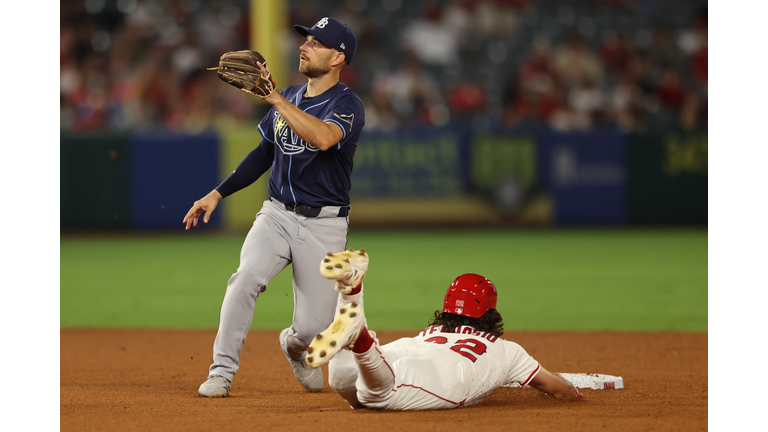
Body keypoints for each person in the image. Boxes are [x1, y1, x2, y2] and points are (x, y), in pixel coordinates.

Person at [183, 17, 365, 397]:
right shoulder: (290, 96)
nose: (304, 46)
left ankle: (294, 347)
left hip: (325, 226)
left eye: (316, 43)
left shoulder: (347, 103)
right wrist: (218, 192)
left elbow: (325, 138)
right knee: (246, 278)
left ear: (337, 57)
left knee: (313, 330)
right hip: (277, 214)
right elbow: (263, 153)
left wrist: (276, 100)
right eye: (306, 39)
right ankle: (221, 372)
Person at [307, 249, 584, 410]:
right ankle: (359, 338)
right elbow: (557, 389)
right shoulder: (508, 351)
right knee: (377, 394)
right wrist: (576, 394)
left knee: (347, 386)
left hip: (412, 346)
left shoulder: (430, 332)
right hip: (450, 369)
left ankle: (352, 297)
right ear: (490, 312)